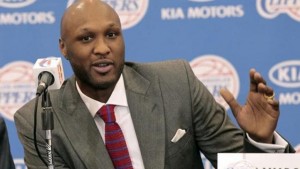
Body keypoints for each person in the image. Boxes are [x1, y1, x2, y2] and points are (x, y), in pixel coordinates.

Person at [14, 0, 295, 169]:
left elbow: (240, 164)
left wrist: (262, 141)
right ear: (63, 48)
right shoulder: (40, 120)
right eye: (86, 39)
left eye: (112, 34)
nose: (102, 48)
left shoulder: (176, 84)